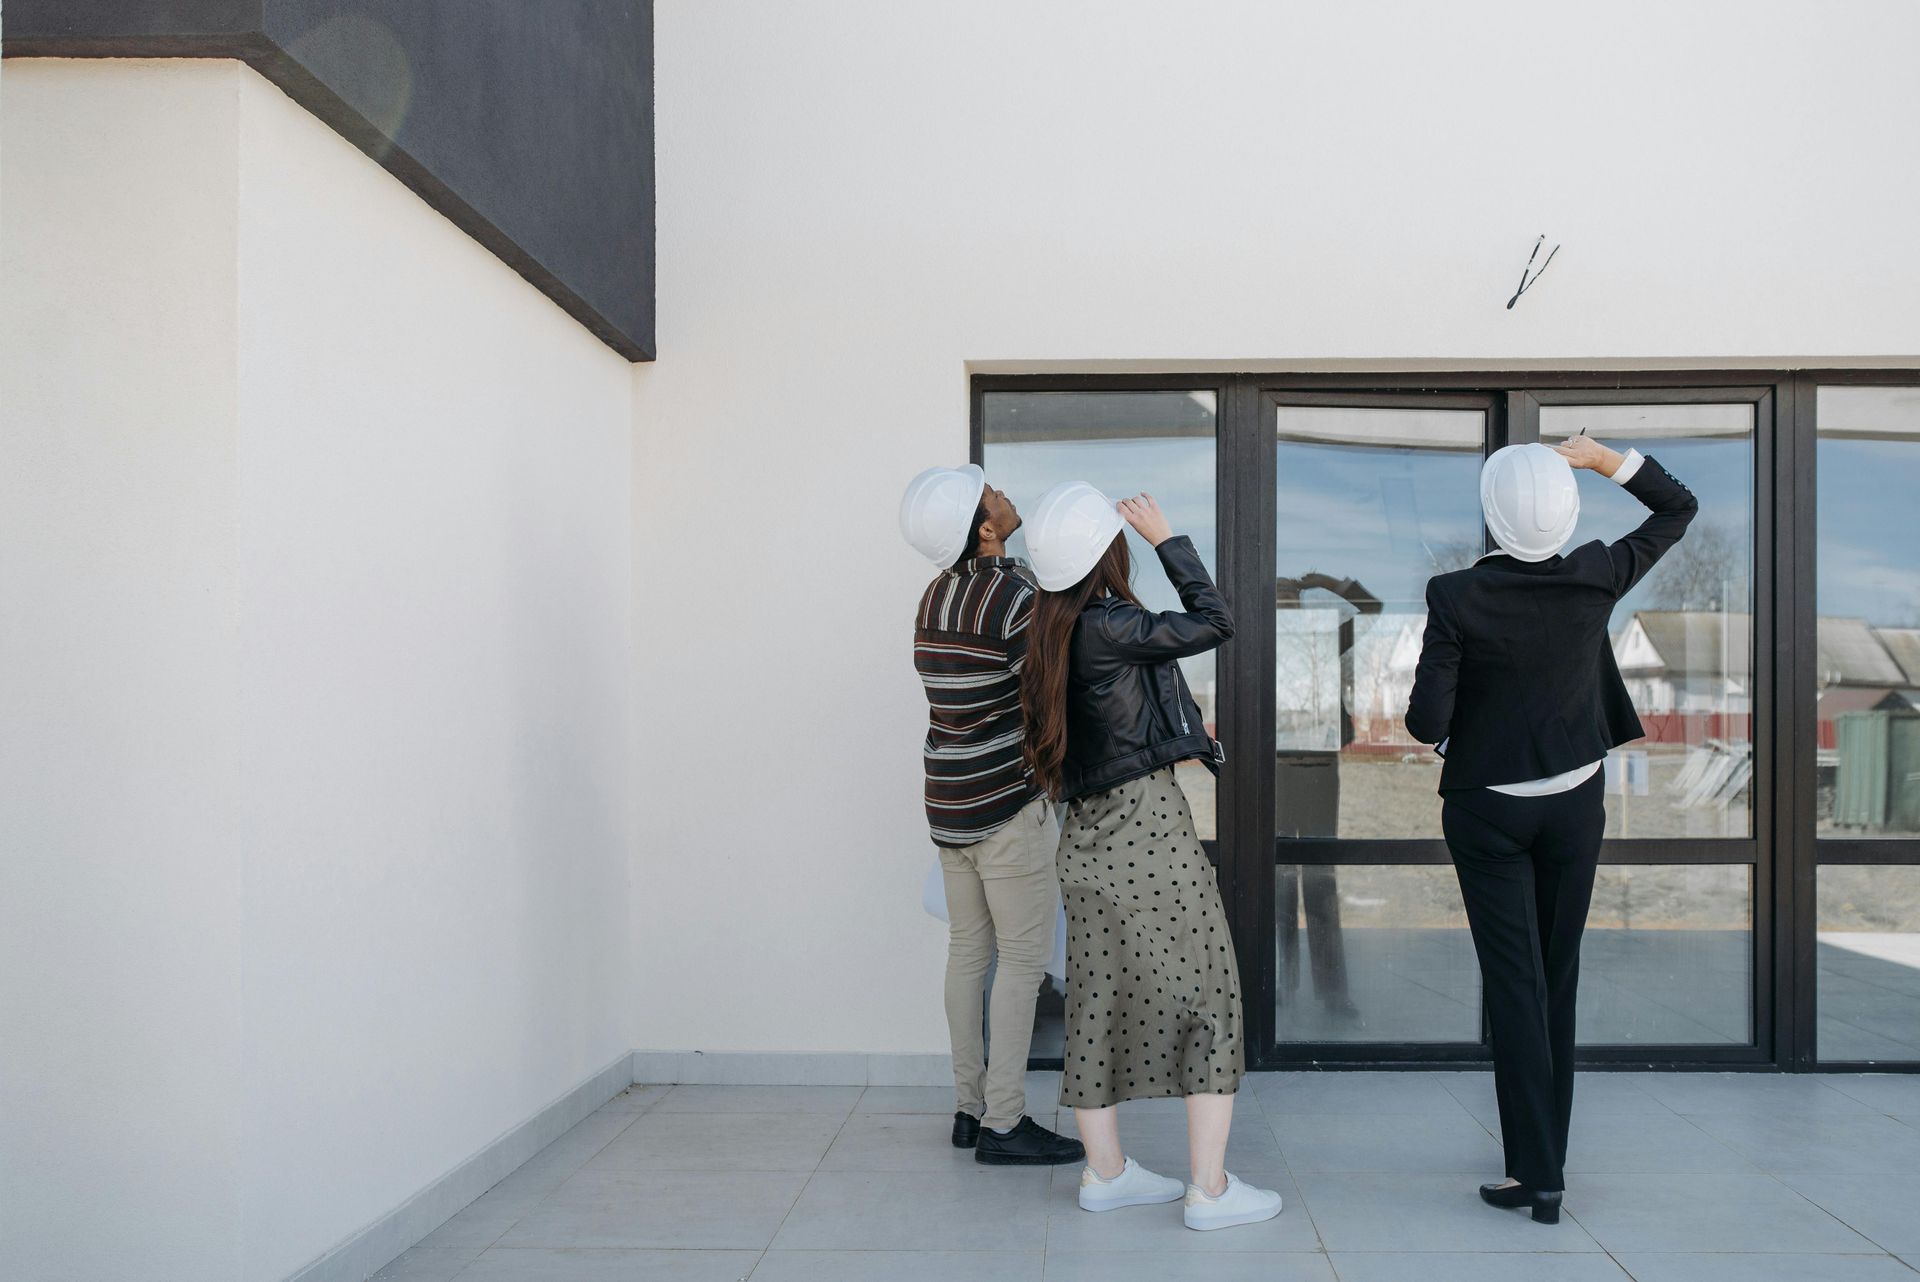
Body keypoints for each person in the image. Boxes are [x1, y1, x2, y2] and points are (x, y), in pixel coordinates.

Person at [1406, 436, 1697, 1223]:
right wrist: (1606, 461)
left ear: (1493, 515)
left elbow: (1426, 719)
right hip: (1575, 802)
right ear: (1565, 514)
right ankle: (1545, 1167)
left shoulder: (1455, 594)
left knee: (1515, 984)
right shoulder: (1596, 573)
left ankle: (1535, 1173)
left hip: (1488, 807)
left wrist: (1455, 730)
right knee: (1555, 976)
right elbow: (1678, 506)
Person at [1021, 482, 1283, 1231]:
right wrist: (1169, 539)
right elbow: (1216, 620)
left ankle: (1105, 1175)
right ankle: (1211, 1189)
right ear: (1106, 551)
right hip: (1145, 826)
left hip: (1084, 835)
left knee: (1097, 1001)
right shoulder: (1110, 624)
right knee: (1210, 993)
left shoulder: (1045, 632)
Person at [899, 464, 1085, 1167]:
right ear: (984, 529)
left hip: (948, 801)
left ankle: (969, 1109)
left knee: (968, 953)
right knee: (1023, 962)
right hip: (1007, 805)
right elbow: (1050, 697)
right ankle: (1008, 1123)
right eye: (993, 495)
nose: (1005, 493)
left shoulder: (932, 597)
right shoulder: (1013, 597)